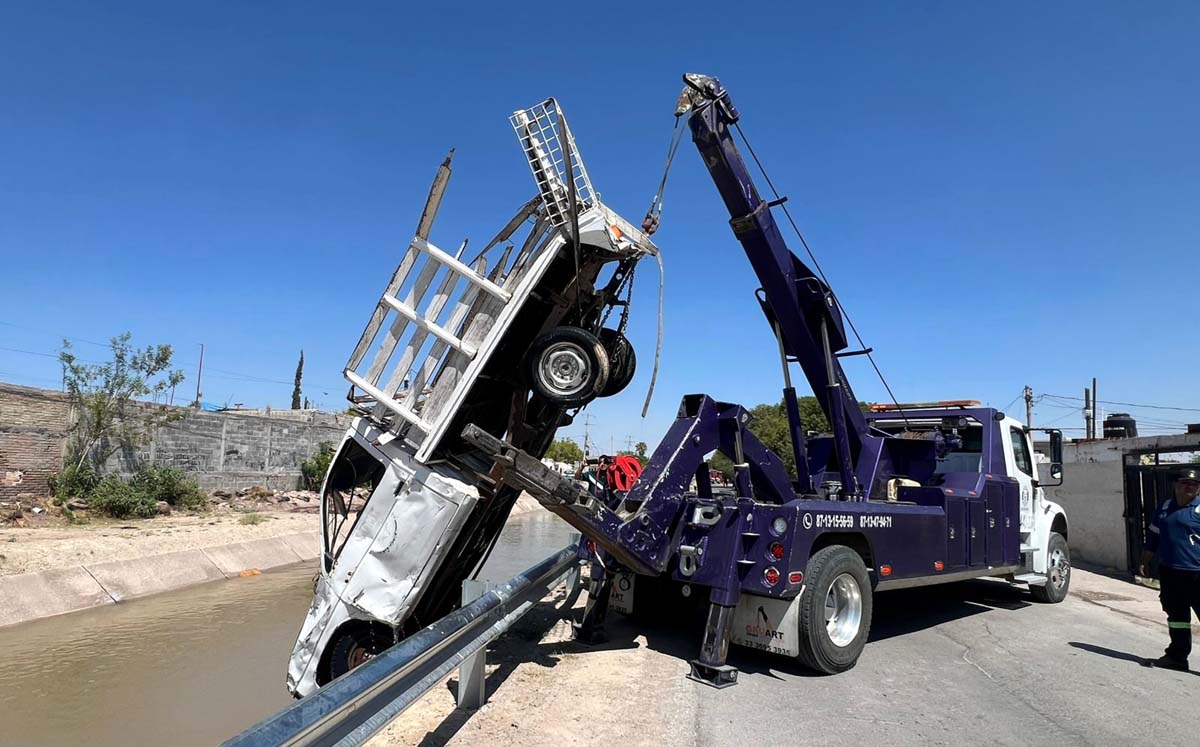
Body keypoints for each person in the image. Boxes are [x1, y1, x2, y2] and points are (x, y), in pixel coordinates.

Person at [1139, 467, 1200, 671]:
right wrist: (1146, 559)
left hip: (1196, 574)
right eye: (1184, 483)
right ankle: (1177, 657)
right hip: (1170, 573)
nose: (1188, 487)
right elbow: (1154, 536)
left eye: (1193, 484)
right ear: (1176, 485)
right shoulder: (1165, 507)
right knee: (1177, 617)